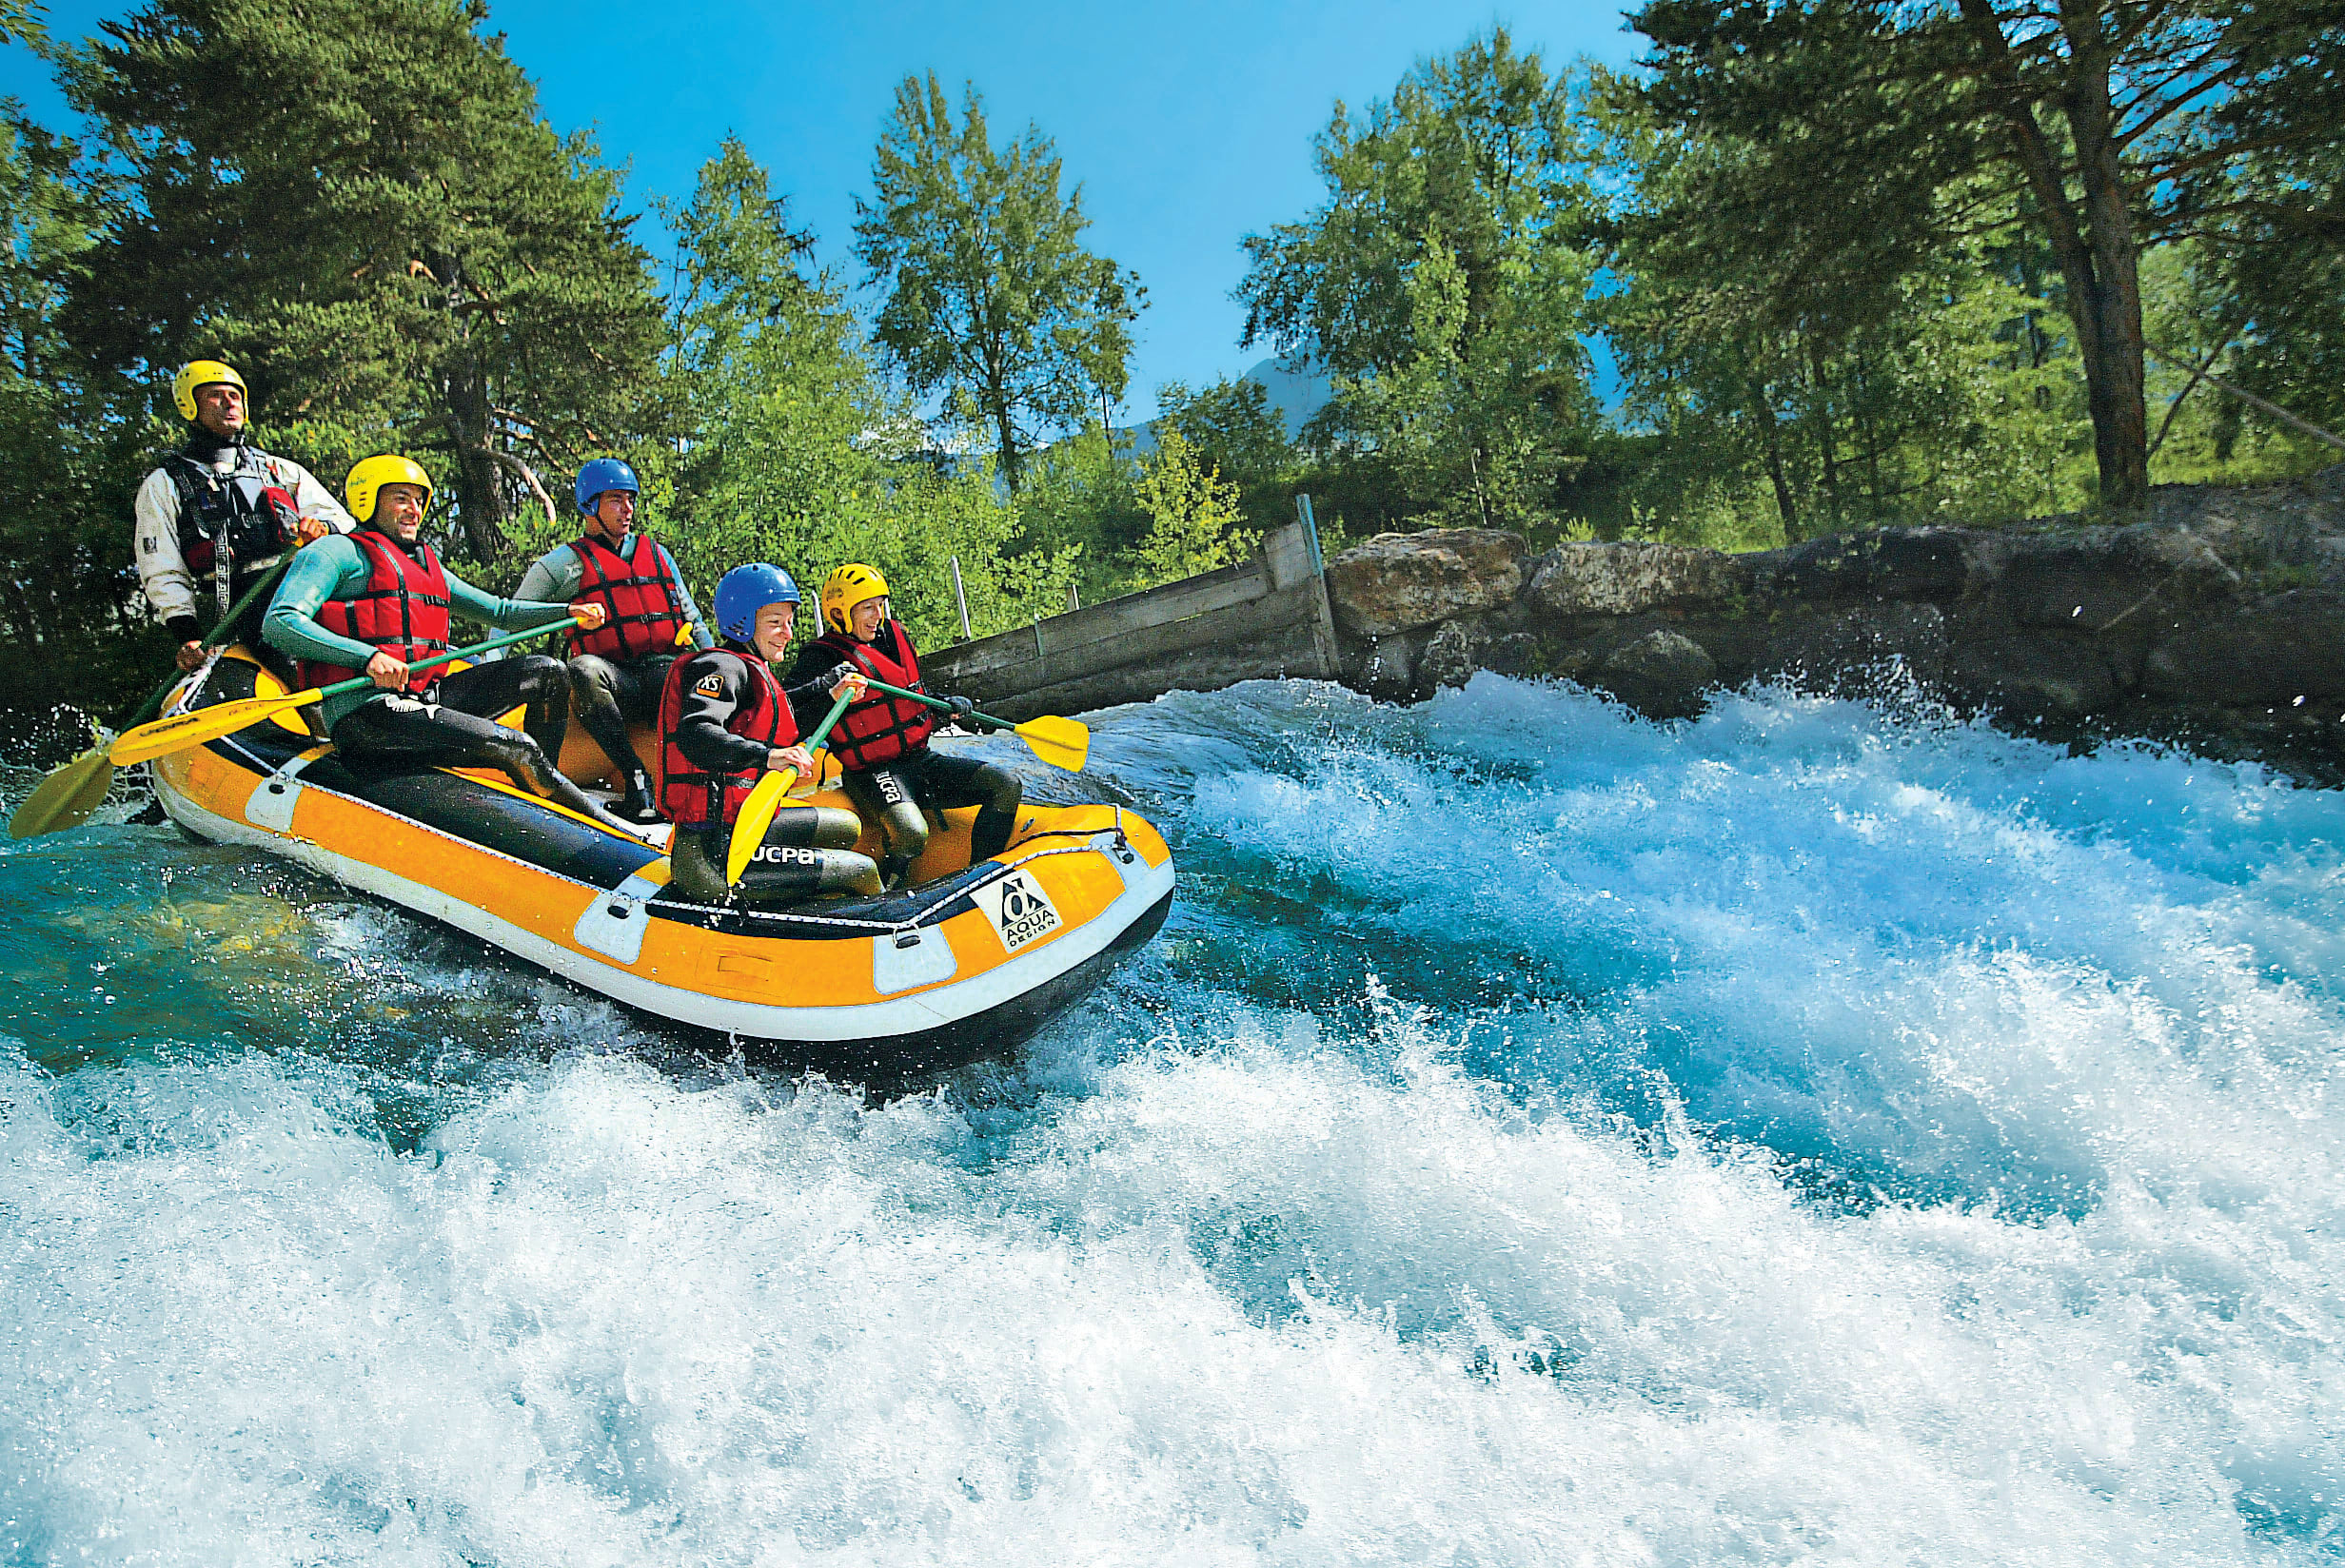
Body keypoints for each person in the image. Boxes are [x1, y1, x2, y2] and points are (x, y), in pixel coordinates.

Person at [261, 455, 635, 834]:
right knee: (515, 745)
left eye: (418, 500)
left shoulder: (425, 564)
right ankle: (599, 825)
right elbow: (281, 622)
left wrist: (567, 611)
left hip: (426, 697)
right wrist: (368, 657)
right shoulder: (334, 554)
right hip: (368, 716)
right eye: (400, 499)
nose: (413, 510)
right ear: (366, 501)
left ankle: (541, 783)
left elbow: (500, 612)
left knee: (549, 672)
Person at [657, 563, 881, 905]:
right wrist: (768, 757)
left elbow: (780, 721)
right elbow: (696, 733)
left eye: (788, 622)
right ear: (743, 624)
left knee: (847, 827)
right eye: (775, 623)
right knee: (861, 871)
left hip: (745, 826)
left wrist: (830, 695)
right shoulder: (721, 666)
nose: (787, 634)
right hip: (712, 854)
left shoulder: (752, 670)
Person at [789, 563, 1022, 890]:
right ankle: (890, 891)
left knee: (1005, 785)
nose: (877, 614)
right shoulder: (819, 658)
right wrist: (831, 693)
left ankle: (981, 877)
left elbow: (914, 694)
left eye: (880, 605)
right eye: (867, 607)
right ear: (840, 612)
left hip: (919, 760)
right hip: (872, 772)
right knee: (911, 832)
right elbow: (791, 715)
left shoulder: (894, 637)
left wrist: (947, 705)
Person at [514, 458, 713, 824]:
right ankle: (636, 776)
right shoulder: (564, 564)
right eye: (616, 500)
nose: (628, 509)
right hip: (615, 680)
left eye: (630, 499)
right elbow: (509, 618)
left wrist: (723, 665)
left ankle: (709, 790)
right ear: (590, 505)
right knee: (583, 669)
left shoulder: (657, 554)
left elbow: (693, 619)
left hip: (662, 674)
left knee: (707, 677)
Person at [133, 360, 356, 675]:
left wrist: (322, 527)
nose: (229, 403)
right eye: (215, 395)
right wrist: (188, 635)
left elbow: (344, 523)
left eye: (235, 396)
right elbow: (161, 568)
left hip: (296, 592)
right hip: (229, 608)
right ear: (189, 405)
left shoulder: (277, 470)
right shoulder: (164, 483)